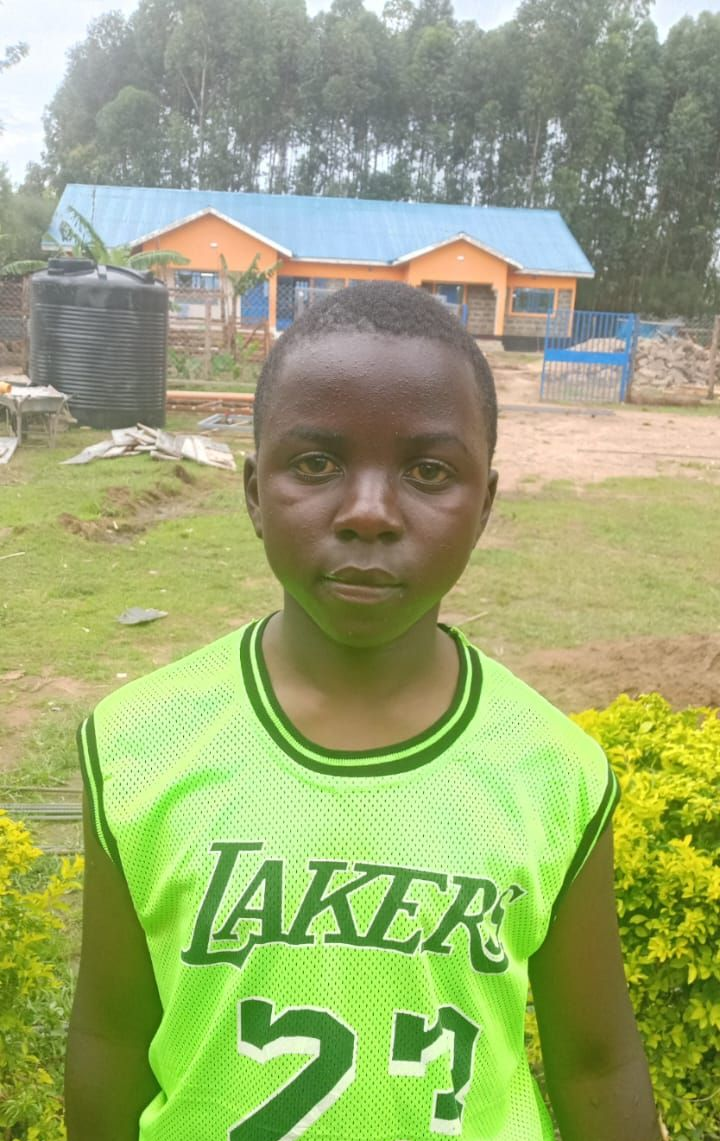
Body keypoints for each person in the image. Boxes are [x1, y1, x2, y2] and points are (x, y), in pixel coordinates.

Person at [66, 281, 663, 1141]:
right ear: (251, 492)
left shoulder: (556, 771)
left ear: (485, 504)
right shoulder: (135, 744)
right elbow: (110, 1035)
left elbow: (597, 1060)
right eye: (316, 463)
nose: (371, 513)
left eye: (428, 471)